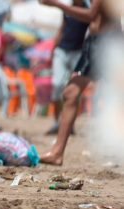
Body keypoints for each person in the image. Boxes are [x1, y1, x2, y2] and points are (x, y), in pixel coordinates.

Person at [39, 0, 123, 165]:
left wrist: (56, 5)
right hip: (93, 43)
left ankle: (57, 152)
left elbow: (91, 15)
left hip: (107, 43)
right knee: (70, 93)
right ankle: (57, 153)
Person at [46, 0, 89, 135]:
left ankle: (69, 124)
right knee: (57, 84)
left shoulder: (88, 10)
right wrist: (52, 50)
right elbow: (61, 29)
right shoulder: (67, 10)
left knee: (74, 91)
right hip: (62, 50)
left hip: (77, 52)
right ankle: (56, 122)